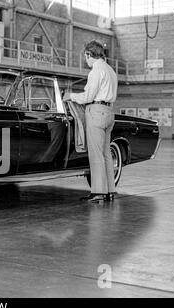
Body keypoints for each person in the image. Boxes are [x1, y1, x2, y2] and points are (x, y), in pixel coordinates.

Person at [63, 40, 118, 203]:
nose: (85, 60)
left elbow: (88, 97)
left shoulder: (96, 71)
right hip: (109, 112)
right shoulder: (110, 70)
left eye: (85, 57)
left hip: (96, 112)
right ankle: (109, 191)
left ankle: (98, 192)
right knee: (106, 153)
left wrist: (70, 96)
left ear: (88, 54)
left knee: (96, 154)